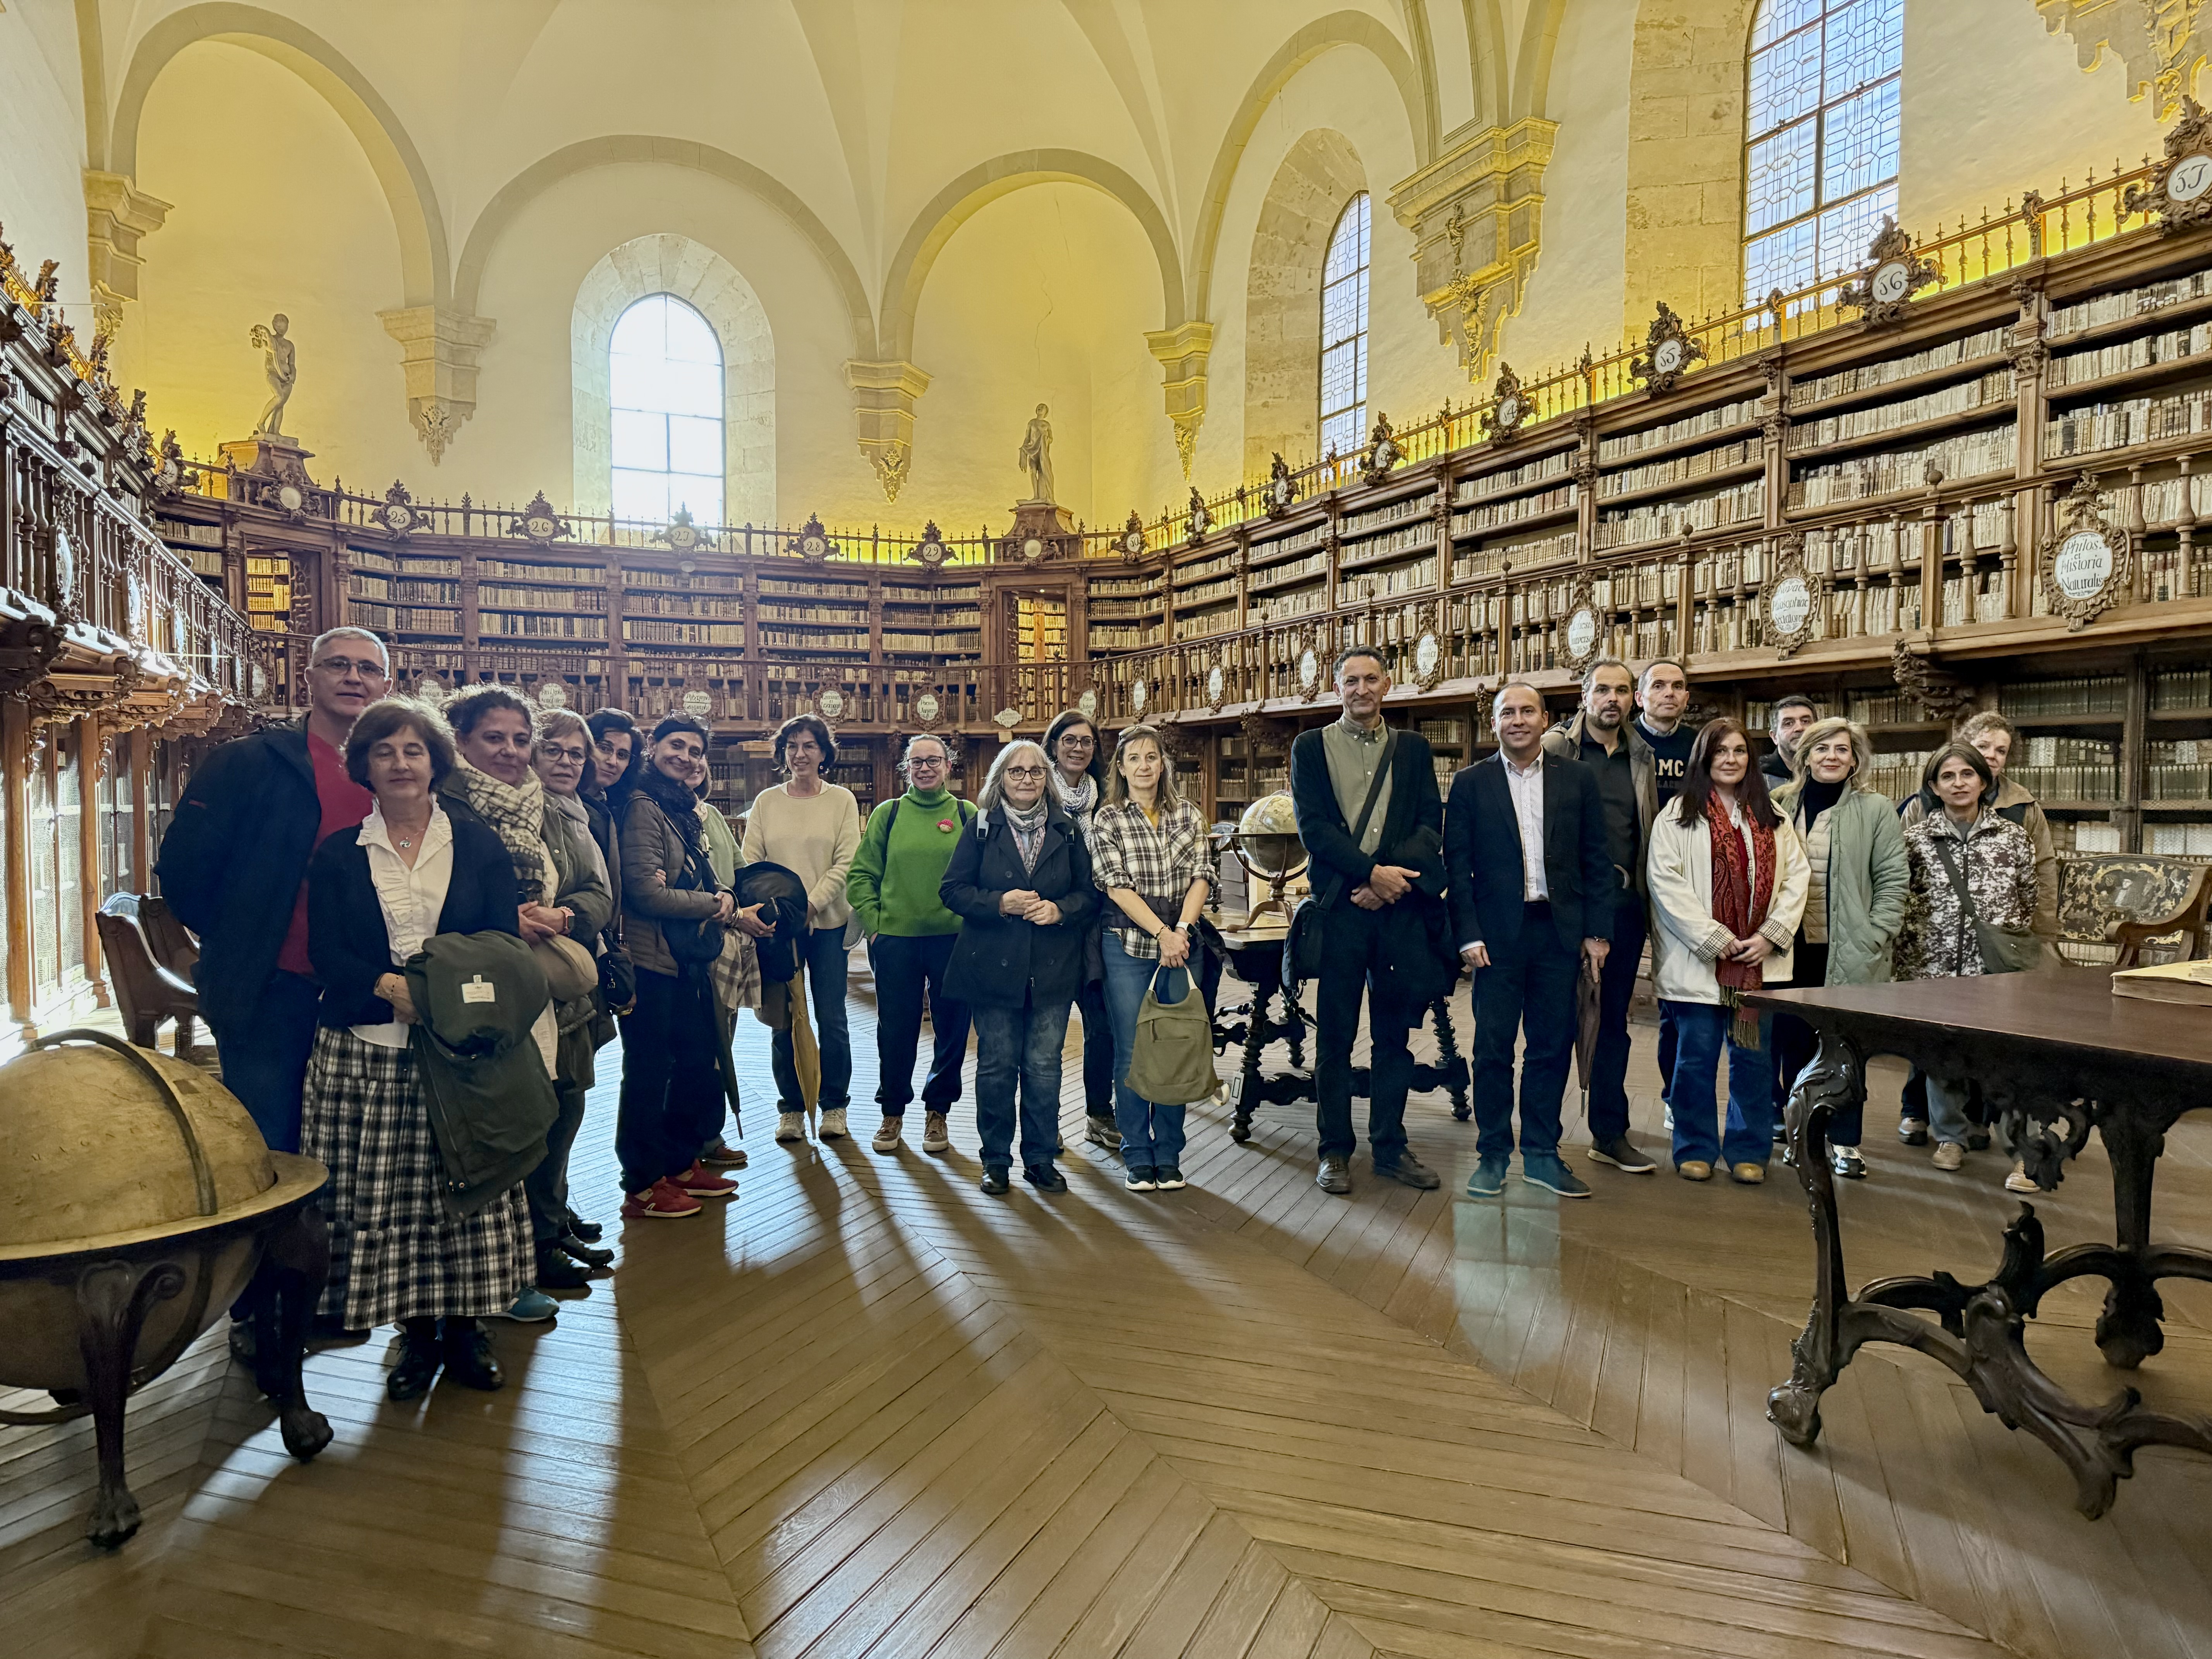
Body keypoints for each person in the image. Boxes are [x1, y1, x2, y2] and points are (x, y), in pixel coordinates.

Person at [299, 697, 532, 1401]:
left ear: (436, 761)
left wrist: (443, 995)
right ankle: (416, 1332)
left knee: (465, 1190)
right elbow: (326, 950)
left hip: (461, 1052)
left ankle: (467, 1329)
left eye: (413, 751)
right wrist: (384, 985)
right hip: (370, 1047)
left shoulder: (478, 841)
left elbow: (501, 939)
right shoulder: (341, 851)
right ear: (364, 765)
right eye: (384, 751)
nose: (400, 763)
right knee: (391, 1199)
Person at [155, 626, 386, 1154]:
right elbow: (185, 869)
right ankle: (267, 1241)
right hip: (271, 987)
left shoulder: (400, 773)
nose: (354, 677)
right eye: (338, 665)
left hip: (365, 990)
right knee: (268, 1139)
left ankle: (328, 1241)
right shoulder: (249, 762)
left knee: (353, 1144)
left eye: (368, 669)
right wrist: (244, 936)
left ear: (386, 687)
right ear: (308, 679)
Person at [436, 685, 611, 1310]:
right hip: (485, 994)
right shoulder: (442, 805)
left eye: (518, 739)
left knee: (558, 1113)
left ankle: (545, 1230)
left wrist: (564, 916)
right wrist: (505, 918)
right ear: (460, 740)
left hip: (559, 992)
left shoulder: (552, 809)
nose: (510, 751)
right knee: (503, 1123)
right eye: (494, 738)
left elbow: (597, 889)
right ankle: (508, 1265)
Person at [1287, 648, 1445, 1197]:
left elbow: (1430, 824)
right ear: (1337, 688)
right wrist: (1371, 874)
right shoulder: (1309, 747)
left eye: (1370, 679)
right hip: (1341, 912)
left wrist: (1389, 883)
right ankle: (1334, 1150)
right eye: (1350, 680)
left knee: (1393, 1038)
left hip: (1396, 912)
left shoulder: (1415, 749)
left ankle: (1391, 1145)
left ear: (1388, 684)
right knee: (1334, 1036)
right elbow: (1315, 830)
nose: (1361, 688)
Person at [1450, 682, 1614, 1200]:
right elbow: (1457, 866)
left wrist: (1596, 932)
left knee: (1551, 1046)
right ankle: (1493, 1153)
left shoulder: (1578, 779)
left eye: (1527, 711)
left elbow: (1596, 858)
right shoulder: (1470, 783)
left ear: (1546, 720)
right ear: (1494, 723)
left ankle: (1542, 1153)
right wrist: (1467, 933)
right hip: (1495, 937)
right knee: (1493, 1048)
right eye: (1507, 713)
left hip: (1559, 931)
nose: (1518, 720)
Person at [1645, 717, 1808, 1183]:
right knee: (1694, 1059)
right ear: (1704, 758)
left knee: (1752, 1059)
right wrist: (1716, 938)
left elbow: (1796, 879)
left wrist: (1771, 934)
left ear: (1750, 760)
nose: (1731, 760)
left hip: (1757, 966)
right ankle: (1694, 1146)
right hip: (1699, 966)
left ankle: (1748, 1149)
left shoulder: (1771, 816)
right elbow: (1665, 883)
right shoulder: (1677, 814)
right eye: (1720, 752)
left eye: (1739, 751)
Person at [1894, 709, 2060, 1158]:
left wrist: (2006, 935)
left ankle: (2016, 1145)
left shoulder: (2012, 836)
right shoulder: (1915, 837)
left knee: (2001, 1056)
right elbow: (1900, 895)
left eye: (1969, 774)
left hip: (1994, 965)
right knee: (1941, 1057)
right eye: (1948, 776)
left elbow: (2029, 892)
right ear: (1933, 787)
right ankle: (1949, 1136)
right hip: (1933, 960)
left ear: (1984, 781)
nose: (1959, 783)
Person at [941, 739, 1096, 1194]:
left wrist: (1061, 910)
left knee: (1045, 1067)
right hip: (993, 969)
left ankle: (1041, 1158)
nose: (1027, 780)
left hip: (1051, 970)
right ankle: (995, 1161)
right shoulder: (981, 827)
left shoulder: (1068, 831)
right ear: (1000, 780)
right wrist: (1000, 902)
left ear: (1046, 779)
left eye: (1035, 772)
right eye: (1016, 772)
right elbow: (952, 891)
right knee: (996, 1066)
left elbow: (1089, 895)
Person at [1768, 718, 1910, 1179]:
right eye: (1822, 748)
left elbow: (1893, 878)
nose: (1832, 756)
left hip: (1849, 949)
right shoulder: (1779, 804)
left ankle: (1845, 1141)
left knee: (1846, 1051)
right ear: (1805, 756)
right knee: (1791, 1044)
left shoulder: (1876, 809)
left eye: (1842, 750)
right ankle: (1800, 1135)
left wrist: (1877, 933)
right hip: (1790, 949)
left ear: (1855, 760)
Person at [617, 716, 744, 1219]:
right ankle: (644, 1184)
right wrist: (713, 905)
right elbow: (646, 891)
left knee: (693, 1061)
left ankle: (681, 1162)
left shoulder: (682, 809)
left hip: (684, 959)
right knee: (649, 1073)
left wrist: (722, 895)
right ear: (653, 746)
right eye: (677, 745)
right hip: (651, 961)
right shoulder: (645, 806)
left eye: (696, 750)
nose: (686, 757)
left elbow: (695, 873)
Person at [1541, 658, 1659, 1176]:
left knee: (1614, 1022)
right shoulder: (1553, 749)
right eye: (1603, 689)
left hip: (1624, 908)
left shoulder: (1643, 755)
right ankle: (1543, 1136)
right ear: (1584, 696)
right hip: (1561, 909)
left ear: (1634, 699)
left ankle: (1609, 1134)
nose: (1613, 698)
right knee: (1555, 1022)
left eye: (1623, 691)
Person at [1089, 725, 1213, 1192]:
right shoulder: (1108, 819)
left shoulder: (1189, 814)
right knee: (1133, 1050)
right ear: (1121, 768)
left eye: (1152, 757)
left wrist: (1180, 931)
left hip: (1183, 945)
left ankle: (1170, 1155)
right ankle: (1138, 1155)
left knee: (1177, 1047)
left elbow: (1202, 875)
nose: (1145, 766)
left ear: (1164, 764)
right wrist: (1161, 932)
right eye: (1135, 758)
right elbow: (1116, 885)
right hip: (1127, 946)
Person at [524, 709, 622, 1272]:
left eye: (576, 754)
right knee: (547, 1109)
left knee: (569, 1101)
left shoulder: (577, 813)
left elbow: (595, 896)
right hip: (536, 983)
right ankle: (539, 1237)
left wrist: (564, 916)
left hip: (572, 974)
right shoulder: (523, 812)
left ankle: (553, 1218)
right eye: (554, 751)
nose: (566, 762)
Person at [849, 734, 975, 1155]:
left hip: (954, 940)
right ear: (906, 768)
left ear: (948, 765)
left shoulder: (966, 813)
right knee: (896, 1029)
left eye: (933, 761)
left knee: (952, 1029)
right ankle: (893, 1111)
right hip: (897, 941)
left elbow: (982, 876)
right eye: (917, 762)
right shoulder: (889, 814)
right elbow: (861, 875)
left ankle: (938, 1111)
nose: (925, 768)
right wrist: (875, 925)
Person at [742, 714, 861, 1142]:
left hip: (826, 925)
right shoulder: (767, 803)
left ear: (824, 753)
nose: (800, 754)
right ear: (783, 753)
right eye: (792, 746)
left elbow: (847, 862)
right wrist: (781, 913)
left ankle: (834, 1106)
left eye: (810, 745)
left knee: (832, 1018)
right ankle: (791, 1108)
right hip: (779, 929)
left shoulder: (842, 801)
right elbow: (752, 862)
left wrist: (810, 905)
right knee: (784, 1017)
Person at [1044, 707, 1119, 1150]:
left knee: (1102, 1027)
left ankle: (1099, 1113)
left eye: (1086, 741)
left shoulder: (1108, 799)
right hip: (1052, 927)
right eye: (1069, 740)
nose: (1077, 748)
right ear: (1053, 745)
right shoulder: (1034, 792)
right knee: (1047, 1032)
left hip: (1098, 926)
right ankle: (1045, 1121)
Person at [1634, 658, 1697, 1113]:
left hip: (1683, 882)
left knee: (1677, 996)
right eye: (1658, 685)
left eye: (1677, 687)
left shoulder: (1700, 746)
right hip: (1629, 877)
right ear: (1640, 696)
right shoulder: (1624, 740)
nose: (1669, 694)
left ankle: (1676, 1097)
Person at [1763, 694, 1818, 789]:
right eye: (1788, 723)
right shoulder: (1757, 776)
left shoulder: (1829, 770)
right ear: (1775, 737)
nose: (1799, 728)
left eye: (1805, 721)